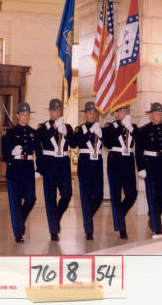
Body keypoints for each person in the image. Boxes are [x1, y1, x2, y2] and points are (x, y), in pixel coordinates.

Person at [1, 102, 42, 243]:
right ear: (18, 115)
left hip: (28, 169)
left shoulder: (33, 133)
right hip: (15, 169)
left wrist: (39, 169)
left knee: (31, 199)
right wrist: (12, 152)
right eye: (23, 114)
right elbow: (4, 154)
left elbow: (39, 153)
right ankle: (19, 233)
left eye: (28, 114)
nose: (26, 116)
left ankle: (19, 219)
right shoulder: (10, 133)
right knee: (15, 203)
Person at [135, 102, 162, 235]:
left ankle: (153, 214)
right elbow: (138, 150)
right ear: (151, 115)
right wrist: (140, 167)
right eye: (157, 114)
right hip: (150, 164)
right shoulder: (144, 130)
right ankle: (157, 228)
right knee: (152, 196)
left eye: (161, 114)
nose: (159, 116)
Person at [36, 98, 74, 241]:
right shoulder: (43, 128)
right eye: (54, 110)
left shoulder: (68, 127)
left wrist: (66, 133)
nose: (56, 113)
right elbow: (38, 144)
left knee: (67, 195)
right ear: (50, 111)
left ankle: (56, 217)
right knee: (50, 199)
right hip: (49, 165)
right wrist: (54, 129)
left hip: (64, 165)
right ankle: (53, 231)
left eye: (58, 110)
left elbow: (75, 144)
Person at [102, 105, 138, 239]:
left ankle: (119, 215)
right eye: (121, 111)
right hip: (115, 162)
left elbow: (140, 140)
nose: (124, 113)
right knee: (116, 196)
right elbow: (108, 144)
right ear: (116, 113)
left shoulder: (132, 125)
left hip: (128, 162)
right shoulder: (110, 127)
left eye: (126, 111)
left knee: (132, 194)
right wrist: (120, 126)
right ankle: (122, 228)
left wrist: (130, 127)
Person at [70, 101, 103, 240]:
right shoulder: (80, 129)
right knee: (85, 197)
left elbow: (109, 143)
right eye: (89, 112)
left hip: (97, 164)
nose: (92, 114)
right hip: (85, 164)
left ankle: (87, 217)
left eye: (94, 112)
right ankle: (89, 230)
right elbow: (73, 143)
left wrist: (101, 133)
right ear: (85, 114)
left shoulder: (101, 129)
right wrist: (89, 131)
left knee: (99, 196)